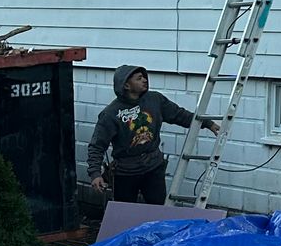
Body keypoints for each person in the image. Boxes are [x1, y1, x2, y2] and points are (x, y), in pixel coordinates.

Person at [86, 65, 219, 206]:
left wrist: (208, 124)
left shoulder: (155, 100)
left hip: (153, 167)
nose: (144, 80)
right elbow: (97, 146)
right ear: (126, 85)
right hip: (125, 172)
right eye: (139, 78)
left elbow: (180, 115)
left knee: (158, 209)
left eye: (144, 77)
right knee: (125, 212)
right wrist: (95, 174)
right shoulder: (110, 114)